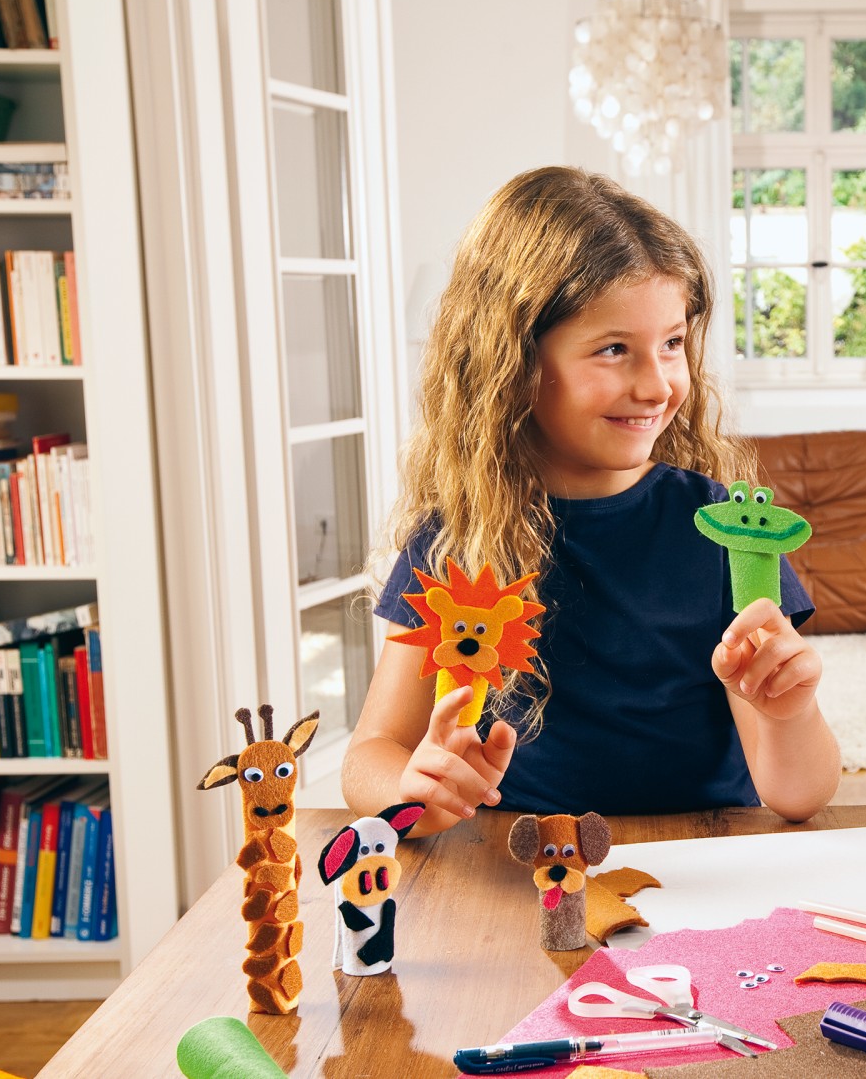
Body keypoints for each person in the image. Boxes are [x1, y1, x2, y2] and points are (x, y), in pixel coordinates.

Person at [345, 166, 840, 837]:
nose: (659, 383)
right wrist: (413, 787)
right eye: (614, 350)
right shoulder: (454, 539)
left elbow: (799, 794)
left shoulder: (728, 533)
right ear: (513, 364)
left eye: (671, 344)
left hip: (708, 858)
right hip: (521, 860)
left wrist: (791, 713)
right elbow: (370, 754)